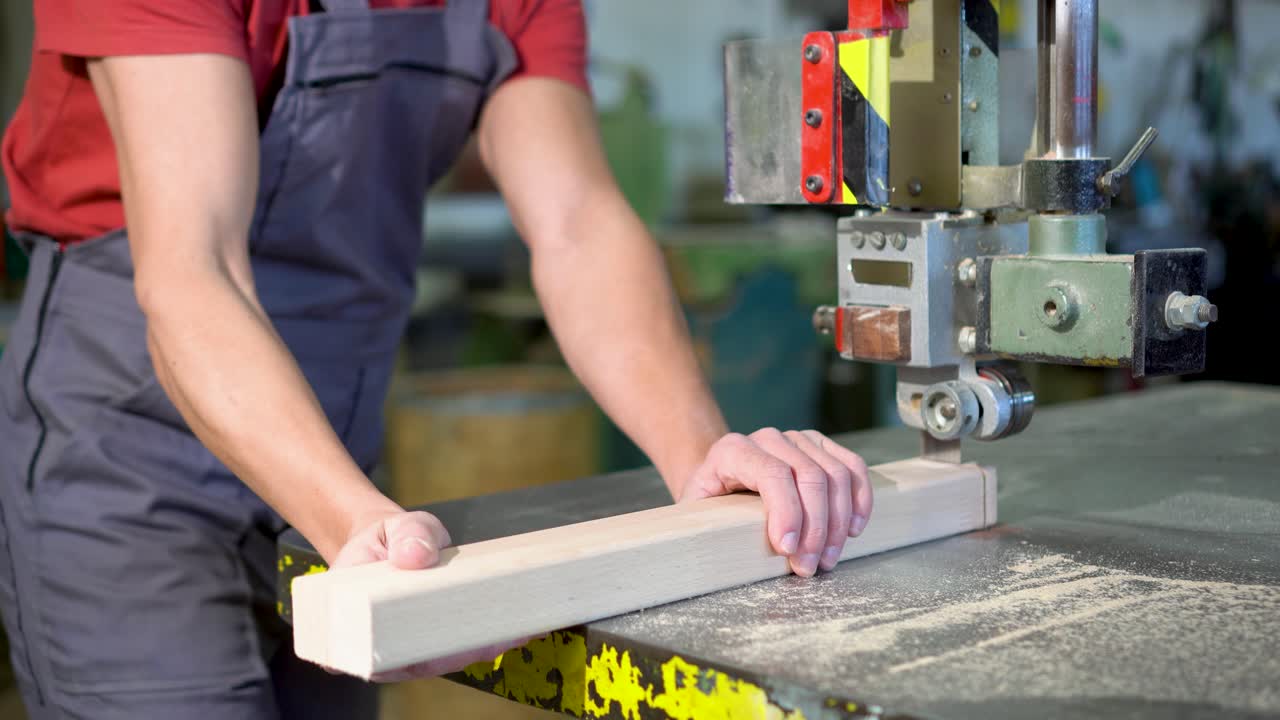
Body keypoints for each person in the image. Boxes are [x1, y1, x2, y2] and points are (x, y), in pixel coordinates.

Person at [0, 0, 874, 717]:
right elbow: (194, 274)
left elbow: (575, 223)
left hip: (335, 438)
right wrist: (355, 524)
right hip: (127, 444)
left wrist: (700, 455)